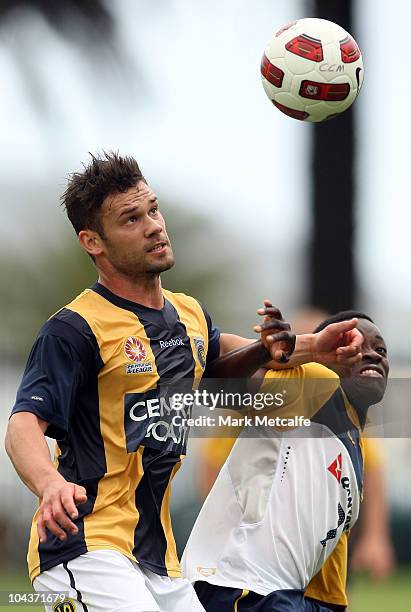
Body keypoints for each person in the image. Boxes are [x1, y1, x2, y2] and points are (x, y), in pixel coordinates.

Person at [4, 152, 362, 612]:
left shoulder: (186, 315)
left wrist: (313, 346)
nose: (153, 226)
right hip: (85, 548)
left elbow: (216, 359)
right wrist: (49, 483)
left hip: (157, 562)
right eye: (130, 219)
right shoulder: (74, 329)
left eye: (153, 209)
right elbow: (23, 425)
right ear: (93, 241)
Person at [182, 310, 389, 612]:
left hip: (280, 594)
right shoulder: (315, 386)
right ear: (326, 355)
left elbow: (325, 594)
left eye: (380, 349)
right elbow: (215, 381)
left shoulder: (355, 444)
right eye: (354, 346)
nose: (371, 354)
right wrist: (270, 351)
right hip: (239, 585)